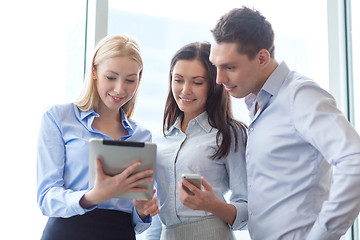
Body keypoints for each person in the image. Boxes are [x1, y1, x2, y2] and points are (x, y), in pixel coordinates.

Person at [209, 6, 360, 240]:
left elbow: (354, 160)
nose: (219, 79)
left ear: (262, 58)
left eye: (230, 67)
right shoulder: (258, 104)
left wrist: (321, 236)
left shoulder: (300, 95)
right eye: (215, 66)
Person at [37, 34, 159, 240]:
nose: (120, 89)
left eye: (130, 80)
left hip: (119, 234)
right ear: (94, 72)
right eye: (110, 77)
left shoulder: (142, 135)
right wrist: (92, 196)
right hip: (67, 232)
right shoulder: (58, 117)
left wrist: (142, 210)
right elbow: (46, 197)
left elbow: (138, 225)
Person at [146, 42, 248, 240]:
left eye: (197, 82)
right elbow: (158, 212)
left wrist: (212, 205)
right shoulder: (160, 138)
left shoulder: (229, 134)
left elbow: (247, 209)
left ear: (214, 85)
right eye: (178, 80)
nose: (185, 90)